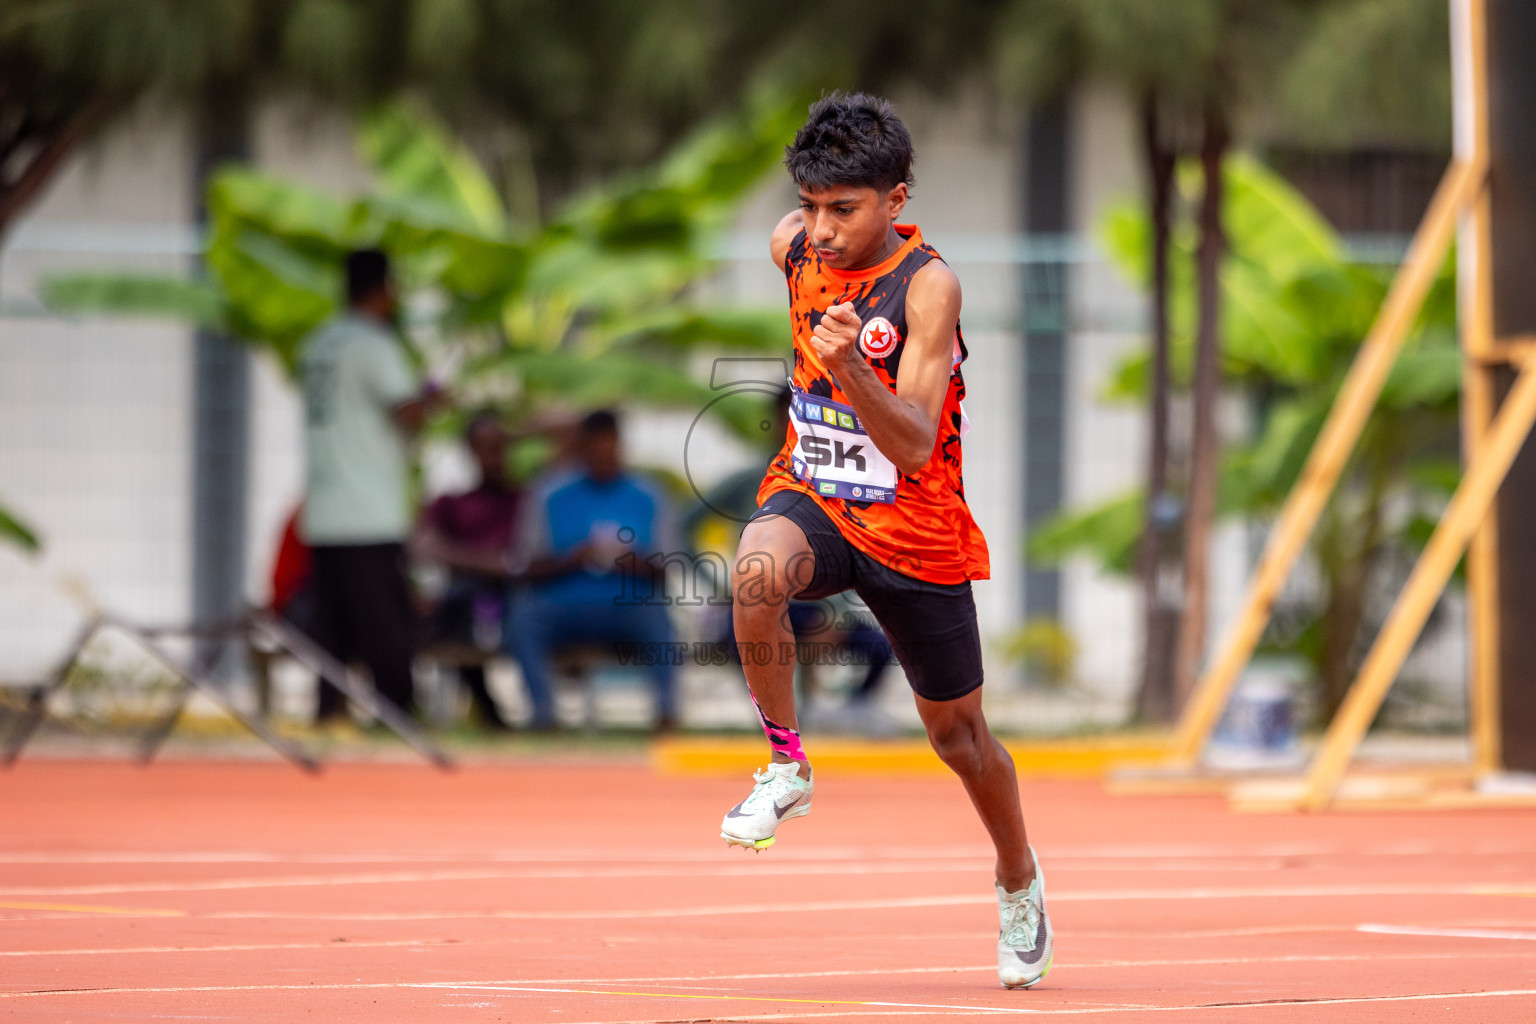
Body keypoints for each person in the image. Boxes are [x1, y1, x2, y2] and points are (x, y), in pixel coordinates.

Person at [719, 94, 1052, 990]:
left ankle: (1017, 874)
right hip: (815, 495)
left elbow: (910, 443)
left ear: (896, 200)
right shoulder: (794, 243)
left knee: (959, 736)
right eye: (812, 205)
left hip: (915, 528)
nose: (822, 231)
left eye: (845, 209)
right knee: (754, 573)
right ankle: (786, 765)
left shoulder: (929, 285)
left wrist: (849, 367)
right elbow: (792, 240)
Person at [299, 249, 442, 722]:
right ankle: (395, 710)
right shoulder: (374, 344)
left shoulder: (318, 343)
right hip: (369, 511)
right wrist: (435, 398)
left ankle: (329, 710)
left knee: (332, 623)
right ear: (385, 288)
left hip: (325, 509)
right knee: (384, 622)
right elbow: (408, 411)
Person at [502, 409, 678, 732]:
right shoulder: (550, 494)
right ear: (582, 446)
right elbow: (526, 565)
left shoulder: (649, 495)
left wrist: (631, 562)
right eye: (594, 443)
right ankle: (544, 715)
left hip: (629, 605)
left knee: (660, 620)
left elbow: (666, 569)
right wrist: (574, 558)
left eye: (608, 442)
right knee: (523, 619)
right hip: (564, 604)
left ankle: (667, 713)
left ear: (619, 444)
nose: (602, 451)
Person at [413, 412, 521, 731]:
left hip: (520, 593)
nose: (496, 456)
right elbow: (423, 547)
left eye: (502, 446)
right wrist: (488, 563)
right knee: (450, 607)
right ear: (470, 452)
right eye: (486, 447)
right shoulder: (451, 502)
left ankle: (493, 714)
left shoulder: (526, 498)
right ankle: (487, 711)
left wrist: (522, 431)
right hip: (466, 597)